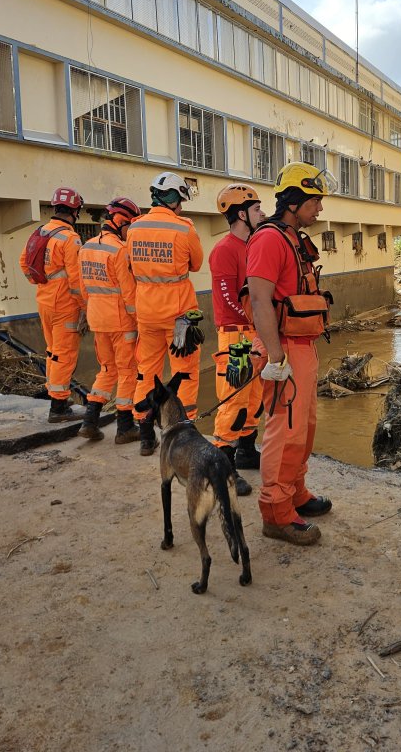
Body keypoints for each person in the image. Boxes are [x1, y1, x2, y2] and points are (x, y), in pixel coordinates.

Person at [245, 162, 336, 545]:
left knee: (305, 426)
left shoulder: (292, 238)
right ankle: (276, 512)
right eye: (314, 201)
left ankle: (296, 491)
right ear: (295, 201)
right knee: (284, 430)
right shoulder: (268, 240)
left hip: (303, 347)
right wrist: (277, 357)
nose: (319, 209)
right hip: (283, 348)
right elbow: (260, 300)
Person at [127, 172, 204, 455]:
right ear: (174, 200)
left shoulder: (134, 229)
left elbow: (130, 267)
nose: (181, 207)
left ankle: (146, 433)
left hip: (146, 312)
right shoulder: (184, 229)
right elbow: (196, 264)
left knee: (146, 371)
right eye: (181, 201)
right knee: (184, 373)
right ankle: (183, 431)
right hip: (180, 316)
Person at [208, 184, 268, 497]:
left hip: (254, 334)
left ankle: (245, 451)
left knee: (254, 397)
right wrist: (256, 321)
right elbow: (228, 298)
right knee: (234, 401)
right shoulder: (224, 251)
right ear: (242, 214)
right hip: (236, 336)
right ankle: (223, 466)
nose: (263, 213)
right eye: (257, 209)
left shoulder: (253, 246)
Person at [77, 197, 142, 444]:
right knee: (127, 371)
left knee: (106, 369)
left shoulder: (86, 247)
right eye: (129, 226)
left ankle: (89, 421)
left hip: (97, 319)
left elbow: (83, 290)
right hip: (121, 322)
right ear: (120, 221)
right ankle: (125, 426)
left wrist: (89, 311)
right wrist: (139, 321)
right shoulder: (119, 250)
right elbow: (129, 293)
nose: (129, 232)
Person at [19, 186, 85, 423]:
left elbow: (24, 262)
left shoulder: (40, 232)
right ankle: (58, 406)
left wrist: (41, 282)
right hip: (65, 304)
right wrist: (84, 307)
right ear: (74, 211)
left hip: (44, 300)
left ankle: (55, 393)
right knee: (65, 354)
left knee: (53, 352)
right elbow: (76, 280)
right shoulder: (70, 238)